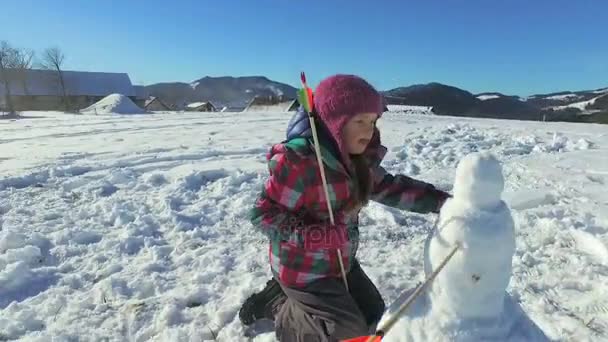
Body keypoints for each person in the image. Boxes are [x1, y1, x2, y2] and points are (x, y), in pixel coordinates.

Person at [240, 74, 450, 341]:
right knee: (347, 333)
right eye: (359, 121)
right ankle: (279, 307)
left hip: (341, 265)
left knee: (374, 314)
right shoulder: (299, 165)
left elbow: (393, 188)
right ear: (334, 124)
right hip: (303, 271)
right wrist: (316, 235)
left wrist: (445, 202)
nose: (369, 130)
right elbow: (263, 215)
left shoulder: (358, 163)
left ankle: (286, 298)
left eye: (372, 121)